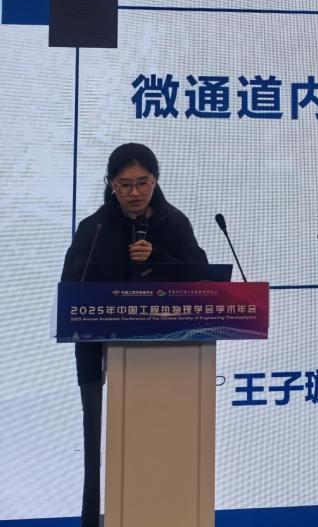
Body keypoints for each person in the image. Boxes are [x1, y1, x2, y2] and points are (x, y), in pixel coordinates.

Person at [60, 143, 207, 527]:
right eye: (125, 185)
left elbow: (203, 279)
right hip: (100, 353)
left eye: (143, 182)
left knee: (163, 446)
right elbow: (72, 293)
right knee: (98, 449)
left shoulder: (174, 223)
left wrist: (157, 259)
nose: (135, 192)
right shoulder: (93, 229)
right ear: (111, 184)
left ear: (156, 180)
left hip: (170, 358)